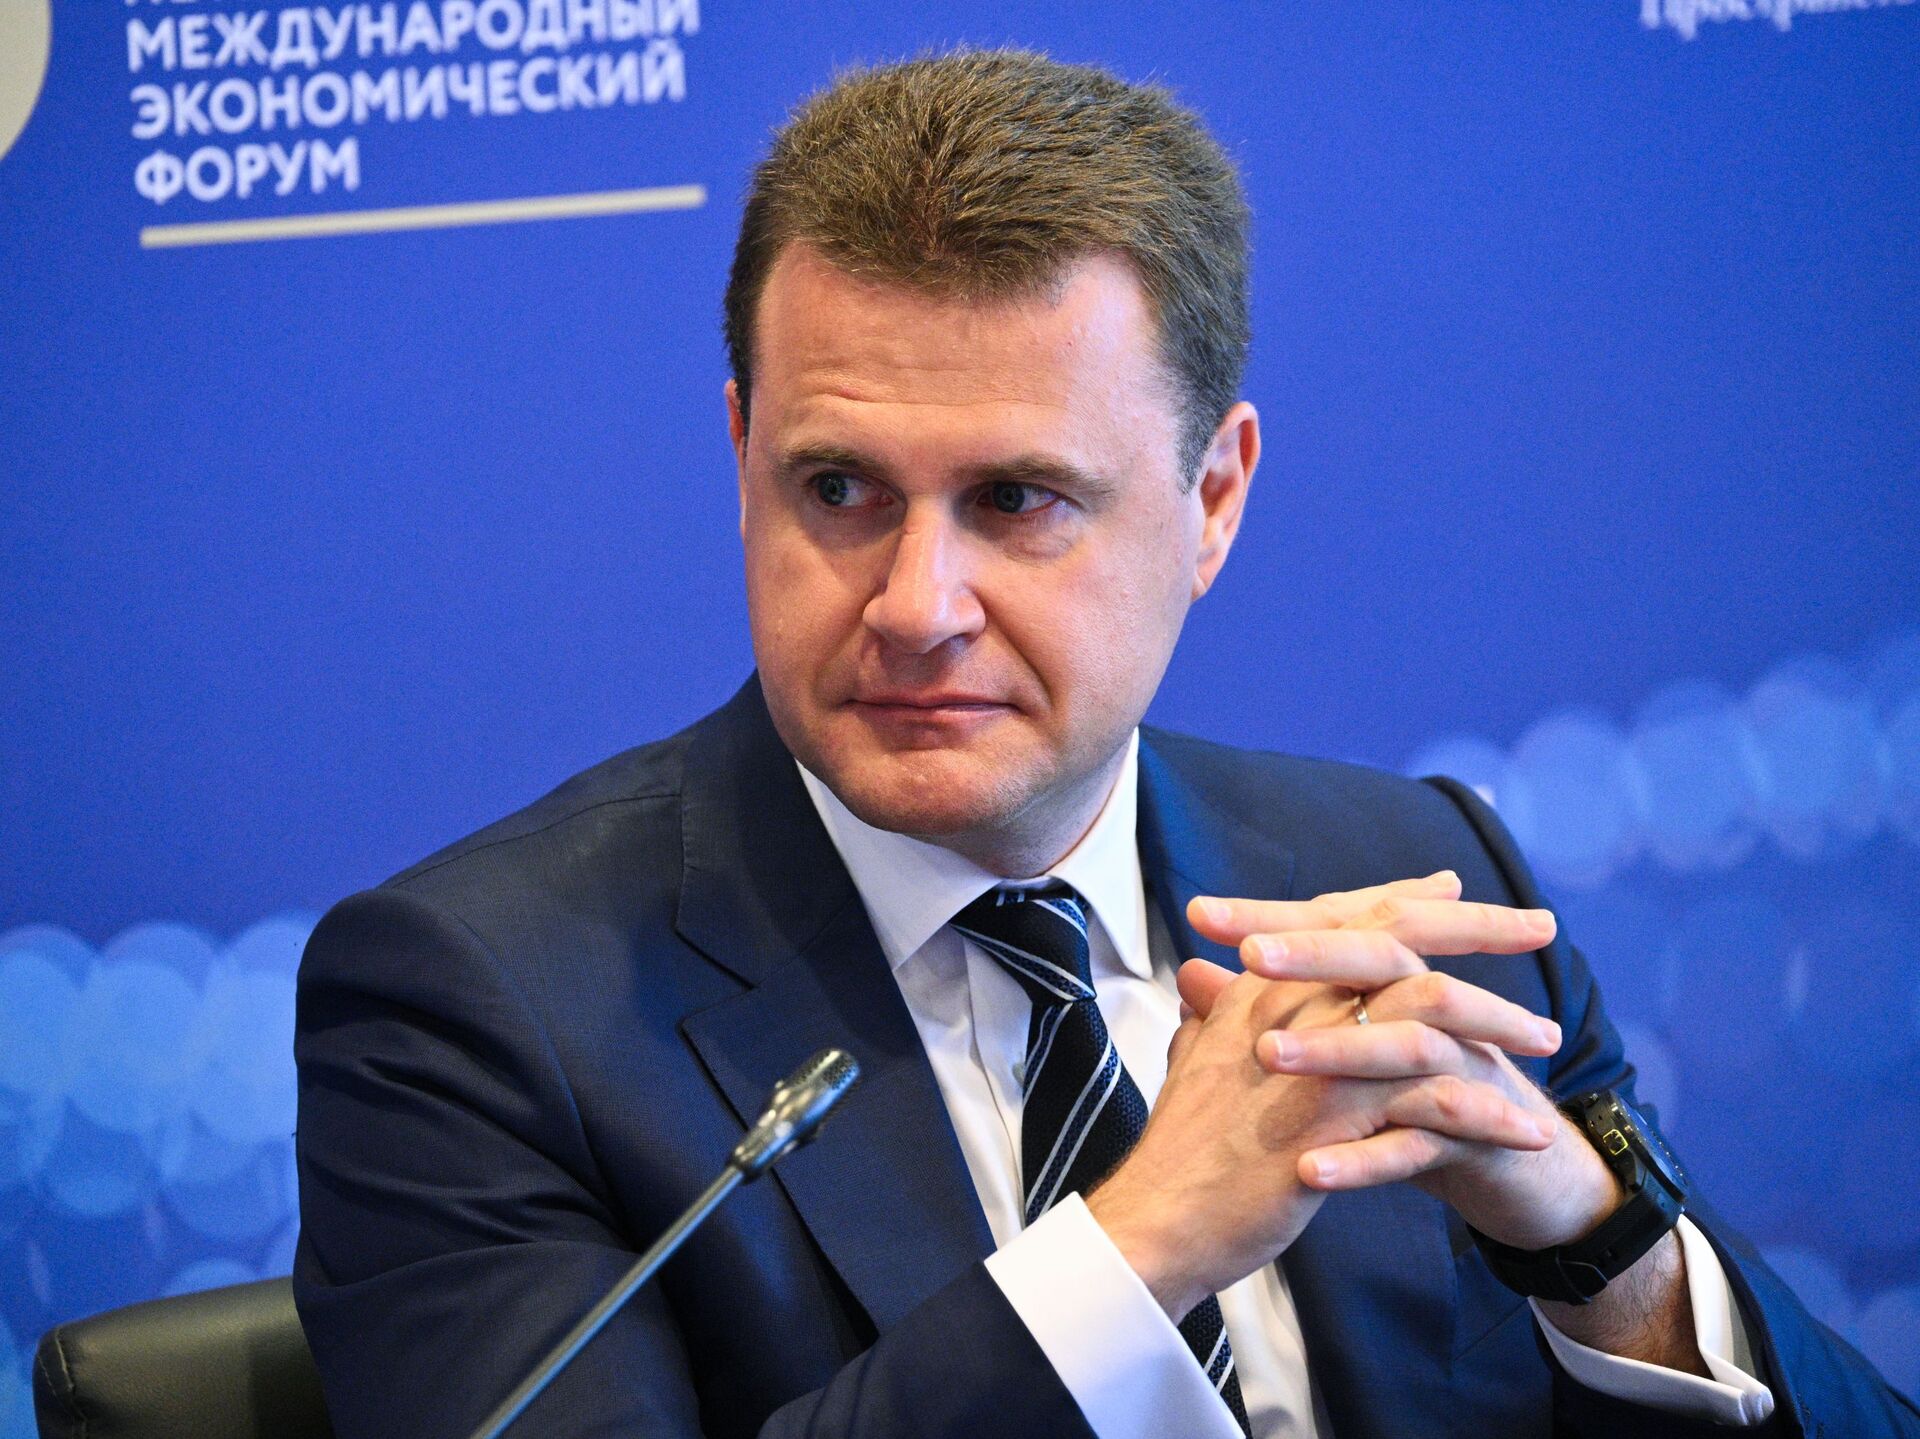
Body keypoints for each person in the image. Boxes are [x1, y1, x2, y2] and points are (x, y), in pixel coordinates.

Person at [292, 49, 1919, 1439]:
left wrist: (1598, 1249)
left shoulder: (1413, 878)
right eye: (839, 490)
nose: (916, 606)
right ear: (741, 457)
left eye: (1017, 500)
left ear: (1214, 500)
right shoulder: (483, 1004)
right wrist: (1141, 1246)